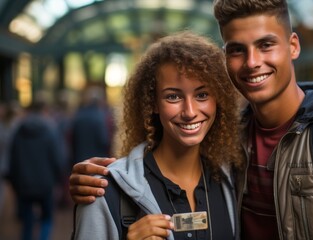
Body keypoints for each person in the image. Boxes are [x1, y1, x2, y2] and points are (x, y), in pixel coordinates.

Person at [69, 0, 313, 239]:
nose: (252, 62)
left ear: (293, 46)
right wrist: (103, 184)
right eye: (237, 49)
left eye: (266, 45)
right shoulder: (229, 143)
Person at [71, 31, 243, 240]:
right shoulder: (103, 193)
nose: (189, 112)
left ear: (219, 99)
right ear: (152, 103)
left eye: (202, 95)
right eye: (173, 96)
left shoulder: (233, 179)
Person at [7, 99, 63, 240]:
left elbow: (13, 159)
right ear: (44, 110)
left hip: (24, 183)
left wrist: (15, 183)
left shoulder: (19, 130)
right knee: (47, 218)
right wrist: (57, 180)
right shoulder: (50, 130)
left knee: (27, 221)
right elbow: (57, 158)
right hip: (46, 183)